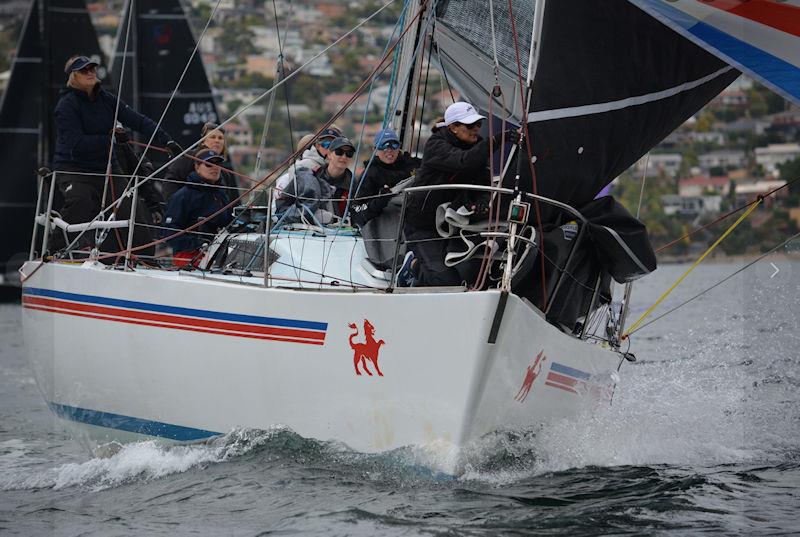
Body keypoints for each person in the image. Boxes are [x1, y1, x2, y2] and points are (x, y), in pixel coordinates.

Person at [51, 54, 180, 248]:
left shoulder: (106, 99)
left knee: (131, 213)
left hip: (106, 168)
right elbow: (75, 144)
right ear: (73, 76)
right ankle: (56, 250)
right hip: (74, 169)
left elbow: (139, 121)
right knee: (80, 201)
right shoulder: (66, 105)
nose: (90, 72)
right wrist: (109, 139)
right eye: (84, 70)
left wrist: (167, 140)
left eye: (92, 69)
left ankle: (143, 259)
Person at [396, 101, 519, 287]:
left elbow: (483, 182)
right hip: (423, 225)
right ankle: (413, 267)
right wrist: (497, 140)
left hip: (453, 223)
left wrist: (484, 202)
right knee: (444, 280)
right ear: (453, 127)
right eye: (470, 125)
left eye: (478, 124)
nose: (476, 129)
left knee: (475, 275)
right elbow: (463, 162)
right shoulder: (436, 144)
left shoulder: (477, 146)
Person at [162, 148, 233, 263]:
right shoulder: (183, 196)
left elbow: (229, 222)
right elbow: (168, 231)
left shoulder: (221, 195)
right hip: (189, 255)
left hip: (219, 254)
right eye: (209, 164)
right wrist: (197, 244)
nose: (215, 167)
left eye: (218, 163)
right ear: (197, 168)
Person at [274, 136, 355, 224]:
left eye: (349, 153)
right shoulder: (311, 176)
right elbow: (284, 205)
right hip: (307, 231)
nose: (344, 157)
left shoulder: (354, 184)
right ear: (329, 154)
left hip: (344, 232)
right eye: (339, 152)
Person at [350, 128, 421, 228]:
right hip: (386, 228)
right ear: (374, 150)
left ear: (399, 147)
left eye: (394, 145)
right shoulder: (370, 174)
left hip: (414, 221)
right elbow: (356, 214)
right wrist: (379, 201)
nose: (389, 150)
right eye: (383, 146)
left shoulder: (413, 164)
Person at [162, 121, 238, 202]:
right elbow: (170, 182)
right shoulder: (188, 157)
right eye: (212, 137)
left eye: (220, 138)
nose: (217, 141)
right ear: (203, 141)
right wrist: (176, 207)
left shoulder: (224, 173)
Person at [273, 125, 342, 206]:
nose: (329, 150)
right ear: (316, 147)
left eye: (335, 147)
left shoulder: (339, 171)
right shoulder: (298, 169)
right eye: (326, 144)